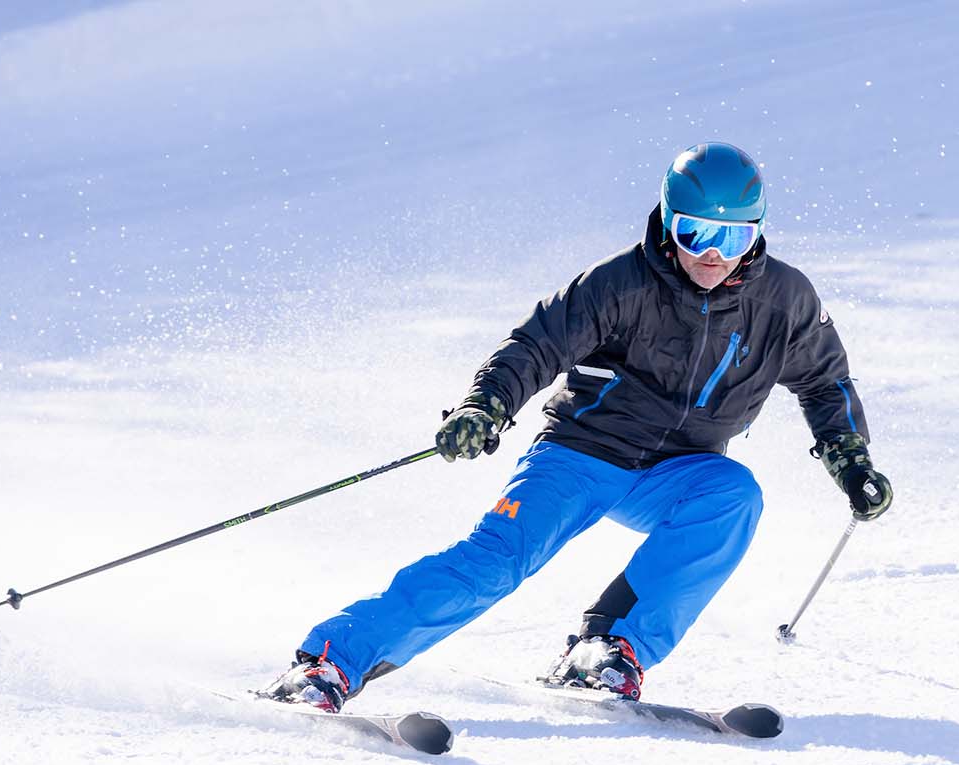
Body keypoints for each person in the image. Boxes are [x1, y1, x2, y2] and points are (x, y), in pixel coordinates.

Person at [265, 141, 893, 711]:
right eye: (694, 232)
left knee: (733, 496)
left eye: (728, 239)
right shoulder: (619, 284)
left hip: (679, 470)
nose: (708, 254)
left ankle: (607, 651)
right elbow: (537, 346)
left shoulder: (784, 301)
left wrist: (850, 456)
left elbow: (825, 380)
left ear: (755, 235)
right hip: (583, 452)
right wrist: (486, 404)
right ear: (668, 221)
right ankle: (330, 661)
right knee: (498, 561)